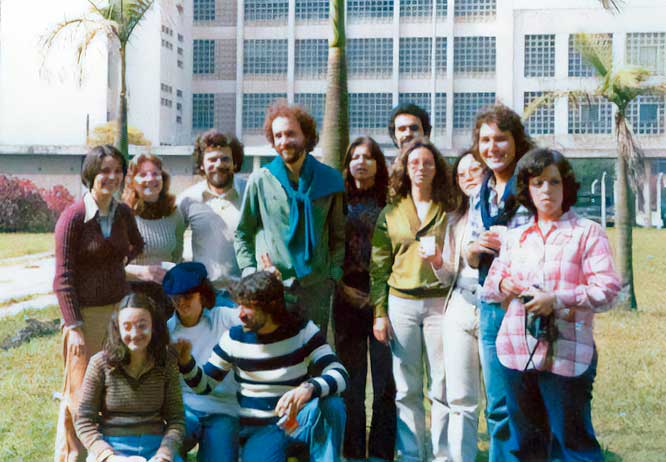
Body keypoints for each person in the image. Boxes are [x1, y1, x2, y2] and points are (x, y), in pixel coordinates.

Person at [481, 148, 621, 461]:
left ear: (566, 186)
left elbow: (608, 289)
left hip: (568, 352)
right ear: (527, 189)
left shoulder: (587, 233)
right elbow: (489, 287)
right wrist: (503, 285)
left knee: (573, 445)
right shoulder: (515, 238)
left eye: (554, 182)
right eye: (538, 183)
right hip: (516, 351)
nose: (547, 191)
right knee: (527, 445)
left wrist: (556, 300)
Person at [174, 271, 349, 462]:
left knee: (332, 405)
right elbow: (204, 385)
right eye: (239, 305)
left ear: (270, 306)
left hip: (298, 420)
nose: (239, 314)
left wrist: (310, 388)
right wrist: (186, 363)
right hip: (259, 428)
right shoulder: (234, 338)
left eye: (247, 307)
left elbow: (340, 373)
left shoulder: (303, 330)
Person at [53, 144, 144, 462]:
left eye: (118, 170)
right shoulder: (74, 217)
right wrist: (74, 327)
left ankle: (105, 454)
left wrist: (114, 266)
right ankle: (71, 456)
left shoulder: (123, 213)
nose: (113, 176)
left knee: (111, 388)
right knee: (79, 395)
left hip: (117, 315)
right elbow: (62, 278)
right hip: (84, 318)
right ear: (91, 174)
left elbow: (137, 244)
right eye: (105, 170)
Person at [370, 140, 454, 462]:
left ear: (437, 168)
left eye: (428, 162)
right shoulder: (391, 212)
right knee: (406, 388)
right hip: (401, 304)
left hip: (439, 304)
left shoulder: (448, 208)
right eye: (414, 162)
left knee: (441, 385)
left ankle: (442, 454)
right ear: (405, 168)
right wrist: (380, 312)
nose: (421, 168)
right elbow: (379, 268)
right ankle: (410, 455)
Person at [234, 100, 345, 337]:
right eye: (278, 136)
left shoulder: (330, 180)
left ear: (306, 135)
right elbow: (243, 232)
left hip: (316, 287)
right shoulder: (261, 180)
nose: (284, 141)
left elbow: (338, 235)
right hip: (273, 286)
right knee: (276, 357)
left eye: (291, 134)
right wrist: (250, 272)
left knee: (313, 354)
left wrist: (332, 276)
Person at [464, 104, 535, 462]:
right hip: (491, 306)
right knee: (498, 404)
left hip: (527, 306)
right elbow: (472, 256)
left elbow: (551, 244)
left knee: (530, 398)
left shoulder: (532, 184)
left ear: (516, 141)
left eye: (501, 139)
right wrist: (474, 249)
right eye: (485, 140)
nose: (493, 147)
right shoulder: (482, 190)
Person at [333, 137, 396, 462]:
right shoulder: (337, 200)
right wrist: (342, 287)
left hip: (384, 298)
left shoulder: (391, 200)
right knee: (351, 383)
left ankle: (382, 454)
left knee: (386, 381)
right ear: (348, 164)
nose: (361, 162)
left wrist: (378, 296)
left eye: (368, 157)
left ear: (378, 164)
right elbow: (329, 247)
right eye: (355, 157)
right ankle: (353, 453)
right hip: (345, 297)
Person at [425, 151, 486, 462]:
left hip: (495, 307)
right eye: (462, 174)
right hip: (460, 306)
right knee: (460, 396)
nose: (469, 176)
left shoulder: (508, 213)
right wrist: (437, 261)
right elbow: (449, 272)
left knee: (501, 398)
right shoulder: (455, 219)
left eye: (475, 169)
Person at [75, 291, 185, 462]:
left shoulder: (166, 363)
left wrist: (165, 455)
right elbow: (83, 420)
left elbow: (176, 420)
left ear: (154, 326)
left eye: (142, 325)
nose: (134, 334)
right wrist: (109, 457)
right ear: (117, 328)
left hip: (156, 447)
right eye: (127, 326)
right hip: (112, 448)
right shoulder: (99, 364)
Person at [163, 262, 241, 462]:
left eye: (187, 297)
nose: (181, 304)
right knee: (165, 454)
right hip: (185, 409)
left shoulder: (224, 318)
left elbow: (258, 317)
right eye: (175, 298)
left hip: (223, 409)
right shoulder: (167, 330)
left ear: (202, 295)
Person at [178, 130, 245, 305]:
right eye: (212, 159)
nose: (219, 164)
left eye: (225, 159)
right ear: (201, 165)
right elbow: (173, 241)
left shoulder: (251, 193)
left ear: (235, 163)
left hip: (244, 295)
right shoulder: (188, 199)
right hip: (204, 295)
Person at [123, 153, 185, 285]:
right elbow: (112, 266)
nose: (150, 179)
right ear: (132, 181)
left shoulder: (174, 214)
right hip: (131, 294)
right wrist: (142, 272)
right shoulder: (122, 215)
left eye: (155, 174)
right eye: (143, 175)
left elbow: (177, 257)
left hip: (167, 292)